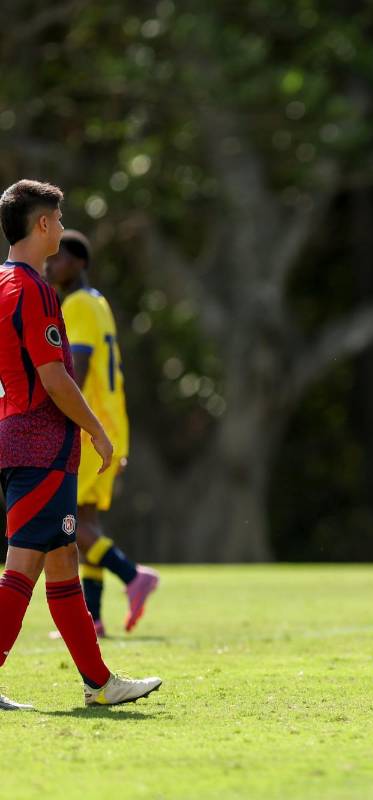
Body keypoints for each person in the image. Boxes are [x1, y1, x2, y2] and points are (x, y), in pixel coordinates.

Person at [0, 179, 161, 710]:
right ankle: (98, 682)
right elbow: (54, 377)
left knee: (63, 558)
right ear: (42, 225)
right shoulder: (37, 290)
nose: (63, 228)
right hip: (41, 443)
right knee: (24, 564)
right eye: (59, 219)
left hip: (17, 438)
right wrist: (95, 427)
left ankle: (99, 682)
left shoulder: (1, 283)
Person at [44, 231, 159, 637]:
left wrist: (60, 410)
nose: (50, 266)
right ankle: (93, 618)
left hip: (92, 427)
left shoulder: (76, 305)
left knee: (69, 524)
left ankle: (133, 576)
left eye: (57, 260)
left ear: (77, 263)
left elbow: (80, 366)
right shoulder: (100, 303)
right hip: (112, 422)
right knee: (86, 519)